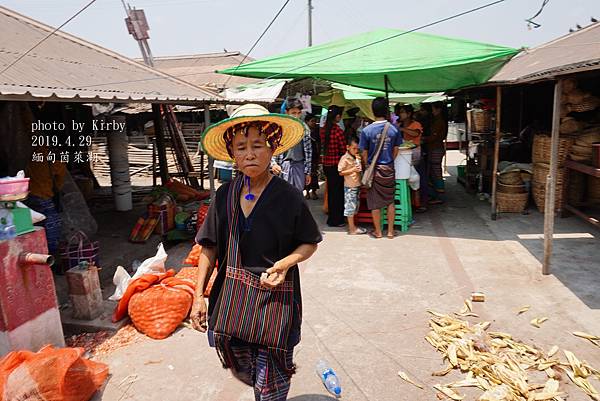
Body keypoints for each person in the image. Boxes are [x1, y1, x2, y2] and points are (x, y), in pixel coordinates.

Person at [191, 104, 322, 401]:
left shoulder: (288, 196)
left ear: (272, 148)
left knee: (270, 384)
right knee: (244, 368)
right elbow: (208, 247)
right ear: (232, 154)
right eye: (241, 147)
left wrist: (286, 263)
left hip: (275, 301)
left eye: (257, 145)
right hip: (232, 301)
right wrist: (198, 296)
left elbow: (310, 242)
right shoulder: (224, 196)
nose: (250, 153)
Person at [359, 97, 402, 239]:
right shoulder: (394, 129)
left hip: (374, 170)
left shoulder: (366, 130)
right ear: (386, 111)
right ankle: (390, 232)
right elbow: (396, 150)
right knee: (390, 201)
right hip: (388, 168)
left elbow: (364, 153)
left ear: (373, 111)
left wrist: (368, 166)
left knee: (374, 202)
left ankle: (378, 232)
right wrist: (388, 161)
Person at [25, 146, 66, 254]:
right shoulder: (51, 157)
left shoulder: (32, 157)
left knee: (35, 226)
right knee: (52, 225)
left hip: (29, 195)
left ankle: (39, 250)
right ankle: (51, 253)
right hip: (44, 195)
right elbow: (60, 176)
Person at [271, 97, 312, 193]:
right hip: (283, 167)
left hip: (299, 166)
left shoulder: (304, 128)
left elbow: (308, 152)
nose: (296, 116)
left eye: (298, 113)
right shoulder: (280, 128)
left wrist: (307, 172)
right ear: (287, 112)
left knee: (298, 197)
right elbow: (272, 149)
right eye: (293, 113)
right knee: (283, 196)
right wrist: (274, 164)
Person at [320, 105, 346, 227]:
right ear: (337, 117)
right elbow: (342, 149)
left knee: (331, 192)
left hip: (326, 164)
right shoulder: (338, 132)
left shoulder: (323, 130)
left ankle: (332, 218)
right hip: (336, 165)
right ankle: (337, 219)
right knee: (338, 193)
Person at [396, 104, 425, 212]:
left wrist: (403, 129)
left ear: (409, 114)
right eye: (400, 112)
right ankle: (411, 203)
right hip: (403, 154)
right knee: (409, 178)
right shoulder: (399, 124)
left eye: (403, 112)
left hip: (414, 153)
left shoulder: (415, 124)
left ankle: (418, 203)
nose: (400, 114)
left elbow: (415, 133)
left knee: (414, 177)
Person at [338, 136, 366, 235]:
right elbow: (340, 172)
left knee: (355, 206)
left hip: (357, 184)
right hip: (350, 186)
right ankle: (352, 229)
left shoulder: (356, 157)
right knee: (350, 207)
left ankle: (353, 225)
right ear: (348, 147)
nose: (355, 150)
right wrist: (353, 170)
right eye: (353, 148)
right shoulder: (345, 158)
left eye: (357, 149)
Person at [428, 101, 448, 204]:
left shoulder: (439, 121)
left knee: (436, 172)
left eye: (433, 109)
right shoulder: (438, 120)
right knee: (435, 172)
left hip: (436, 148)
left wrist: (424, 139)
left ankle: (440, 197)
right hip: (436, 148)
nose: (432, 111)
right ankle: (436, 195)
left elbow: (434, 137)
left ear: (438, 110)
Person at [304, 113, 321, 200]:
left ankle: (313, 191)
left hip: (314, 156)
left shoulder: (316, 131)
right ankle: (307, 192)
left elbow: (319, 144)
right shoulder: (304, 132)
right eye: (312, 121)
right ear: (307, 122)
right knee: (306, 174)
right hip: (306, 156)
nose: (314, 123)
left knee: (314, 174)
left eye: (315, 121)